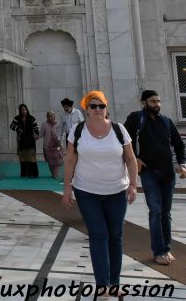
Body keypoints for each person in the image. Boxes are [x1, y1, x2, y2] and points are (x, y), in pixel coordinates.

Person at [62, 90, 138, 293]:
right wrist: (67, 187)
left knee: (115, 236)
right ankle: (102, 284)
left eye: (101, 106)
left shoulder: (119, 129)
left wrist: (133, 185)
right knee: (98, 234)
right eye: (93, 106)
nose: (97, 109)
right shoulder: (77, 130)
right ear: (86, 110)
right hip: (87, 191)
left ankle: (115, 283)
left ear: (106, 108)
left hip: (116, 191)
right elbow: (70, 159)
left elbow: (130, 159)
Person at [123, 89, 186, 266]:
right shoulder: (137, 118)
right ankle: (158, 252)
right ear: (144, 102)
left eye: (158, 101)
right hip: (149, 173)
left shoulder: (166, 121)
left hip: (168, 174)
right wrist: (135, 158)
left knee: (166, 213)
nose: (157, 105)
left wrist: (182, 163)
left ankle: (166, 249)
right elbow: (124, 140)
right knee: (155, 212)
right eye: (153, 101)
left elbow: (179, 145)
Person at [10, 104, 39, 178]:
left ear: (27, 110)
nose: (23, 111)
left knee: (31, 158)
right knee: (22, 157)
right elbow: (11, 126)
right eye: (22, 110)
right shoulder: (17, 118)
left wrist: (35, 134)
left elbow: (36, 129)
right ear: (20, 111)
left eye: (24, 109)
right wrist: (18, 129)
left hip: (30, 141)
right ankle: (24, 173)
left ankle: (33, 174)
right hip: (21, 141)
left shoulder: (32, 118)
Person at [38, 111, 64, 178]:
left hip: (57, 146)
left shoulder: (58, 123)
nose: (50, 117)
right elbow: (40, 134)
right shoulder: (44, 124)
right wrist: (34, 138)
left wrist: (61, 143)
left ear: (54, 116)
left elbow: (61, 133)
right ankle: (53, 174)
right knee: (50, 161)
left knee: (56, 161)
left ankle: (56, 174)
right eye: (48, 116)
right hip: (47, 146)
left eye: (51, 116)